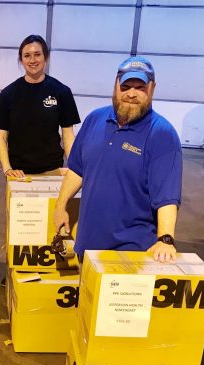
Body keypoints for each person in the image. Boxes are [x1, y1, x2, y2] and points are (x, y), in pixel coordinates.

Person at [54, 56, 182, 263]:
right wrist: (60, 206)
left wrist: (165, 239)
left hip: (131, 252)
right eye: (126, 86)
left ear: (152, 89)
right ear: (115, 85)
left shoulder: (162, 135)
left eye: (140, 87)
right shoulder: (94, 120)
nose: (131, 94)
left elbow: (167, 197)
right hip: (87, 244)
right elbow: (77, 170)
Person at [0, 35, 80, 177]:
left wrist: (74, 168)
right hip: (19, 173)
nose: (32, 60)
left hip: (53, 169)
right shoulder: (9, 93)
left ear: (46, 57)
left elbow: (68, 135)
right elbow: (1, 136)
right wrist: (7, 169)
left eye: (37, 54)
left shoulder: (62, 92)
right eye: (27, 56)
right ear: (21, 60)